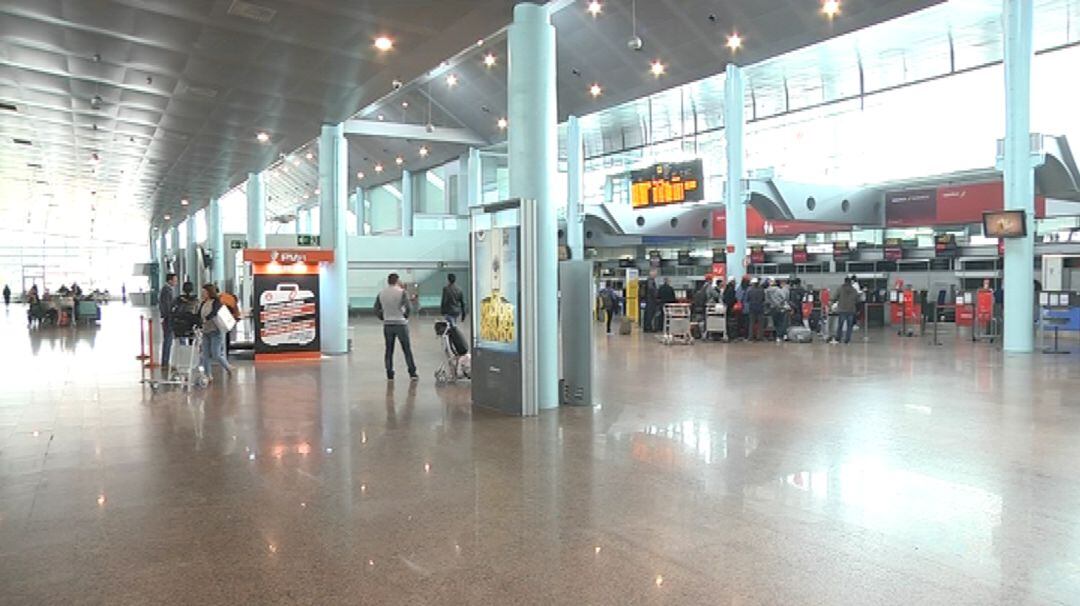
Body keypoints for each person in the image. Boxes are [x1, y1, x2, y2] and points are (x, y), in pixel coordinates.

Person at [375, 273, 418, 381]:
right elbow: (408, 307)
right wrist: (405, 316)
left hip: (388, 324)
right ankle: (412, 373)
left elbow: (376, 309)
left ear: (388, 281)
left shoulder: (381, 293)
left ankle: (390, 373)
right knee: (406, 349)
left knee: (389, 350)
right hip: (401, 324)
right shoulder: (402, 292)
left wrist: (383, 317)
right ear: (397, 281)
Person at [198, 284, 233, 380]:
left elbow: (214, 312)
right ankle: (208, 375)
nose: (202, 294)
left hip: (215, 331)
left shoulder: (216, 302)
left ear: (209, 292)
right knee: (205, 354)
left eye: (204, 292)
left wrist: (206, 318)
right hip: (205, 331)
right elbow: (198, 315)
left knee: (216, 354)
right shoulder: (203, 303)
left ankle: (227, 367)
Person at [159, 273, 178, 369]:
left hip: (168, 318)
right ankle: (165, 362)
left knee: (168, 340)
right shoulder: (166, 290)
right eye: (174, 280)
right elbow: (166, 305)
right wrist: (170, 315)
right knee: (168, 340)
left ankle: (165, 361)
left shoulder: (168, 289)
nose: (176, 282)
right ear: (169, 280)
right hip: (168, 319)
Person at [832, 277, 859, 344]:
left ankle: (838, 338)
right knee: (849, 326)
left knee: (840, 325)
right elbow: (857, 300)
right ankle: (847, 339)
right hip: (851, 310)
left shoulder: (840, 289)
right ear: (850, 282)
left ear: (844, 281)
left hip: (842, 309)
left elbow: (835, 297)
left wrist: (834, 303)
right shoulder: (854, 290)